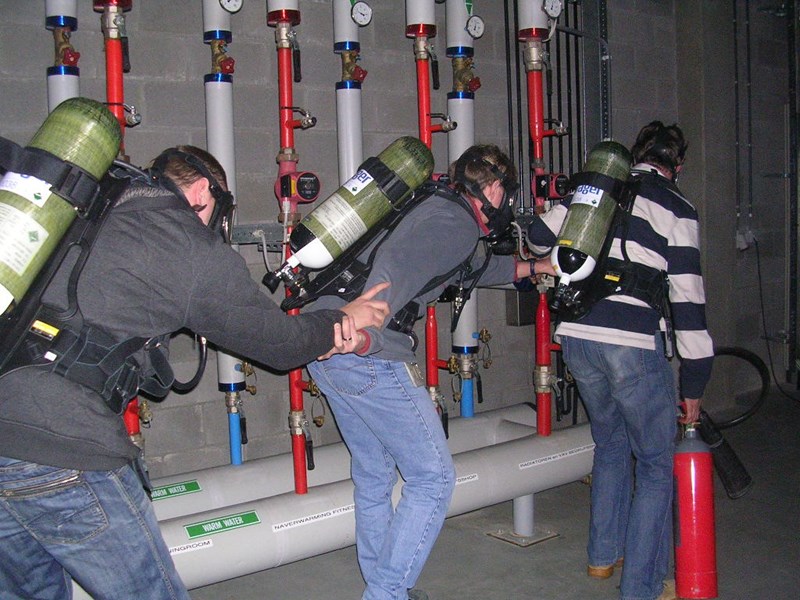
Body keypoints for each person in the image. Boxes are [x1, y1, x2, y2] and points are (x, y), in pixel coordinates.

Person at [0, 145, 390, 599]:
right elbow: (281, 345)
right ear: (204, 191)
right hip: (61, 447)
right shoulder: (181, 241)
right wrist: (342, 318)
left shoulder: (91, 208)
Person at [306, 144, 551, 600]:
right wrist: (360, 334)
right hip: (364, 352)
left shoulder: (434, 208)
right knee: (433, 479)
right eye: (506, 192)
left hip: (327, 344)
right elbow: (393, 271)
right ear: (493, 189)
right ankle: (386, 593)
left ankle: (383, 585)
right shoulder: (455, 224)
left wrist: (536, 266)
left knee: (374, 476)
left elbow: (469, 267)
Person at [526, 121, 715, 600]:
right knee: (654, 464)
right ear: (678, 164)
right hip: (631, 344)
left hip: (577, 338)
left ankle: (602, 556)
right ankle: (643, 586)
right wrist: (695, 382)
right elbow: (688, 301)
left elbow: (537, 238)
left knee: (609, 444)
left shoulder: (598, 188)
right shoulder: (677, 207)